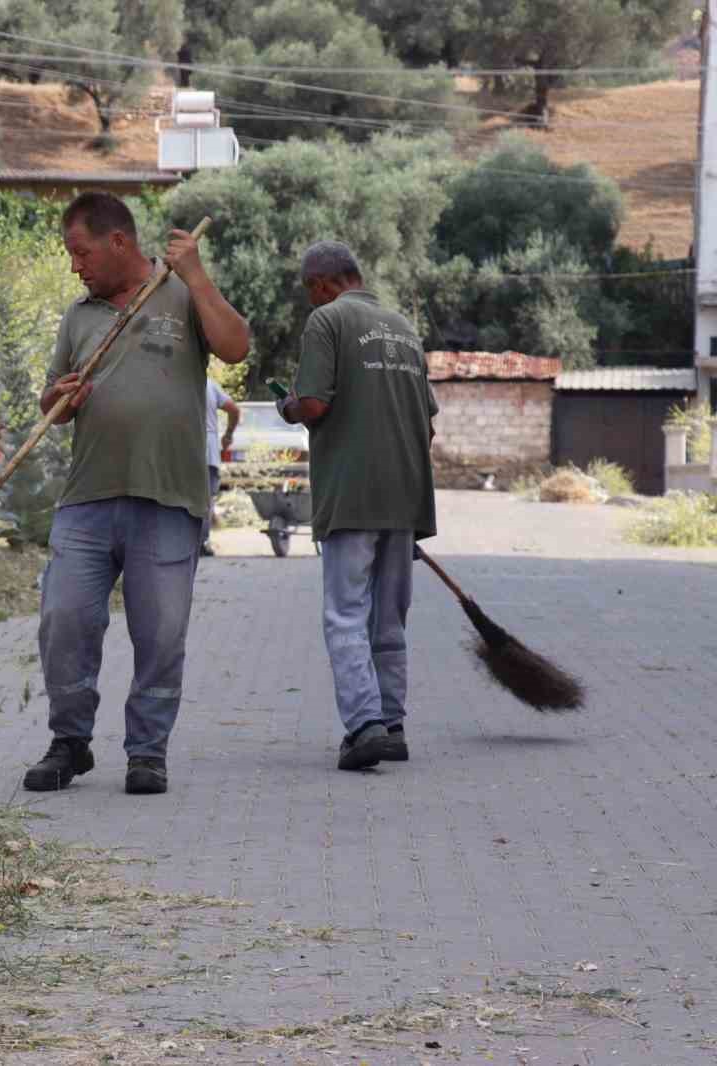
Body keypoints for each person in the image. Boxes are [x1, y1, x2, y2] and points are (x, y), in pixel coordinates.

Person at [24, 192, 251, 796]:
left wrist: (198, 276)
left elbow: (235, 346)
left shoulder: (181, 294)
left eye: (81, 252)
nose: (75, 265)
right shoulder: (79, 315)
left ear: (118, 242)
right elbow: (54, 403)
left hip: (168, 499)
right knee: (64, 619)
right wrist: (59, 400)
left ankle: (147, 751)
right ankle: (69, 743)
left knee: (161, 633)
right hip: (88, 497)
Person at [276, 241, 438, 771]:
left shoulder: (327, 321)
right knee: (388, 621)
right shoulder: (404, 328)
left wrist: (289, 406)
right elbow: (428, 422)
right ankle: (392, 723)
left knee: (345, 616)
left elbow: (316, 404)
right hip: (405, 497)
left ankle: (365, 725)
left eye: (309, 290)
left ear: (322, 283)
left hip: (350, 494)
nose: (310, 300)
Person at [201, 378, 239, 556]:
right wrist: (228, 435)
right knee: (205, 500)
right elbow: (233, 409)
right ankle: (202, 542)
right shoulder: (209, 384)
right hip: (208, 450)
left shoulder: (172, 380)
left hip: (182, 449)